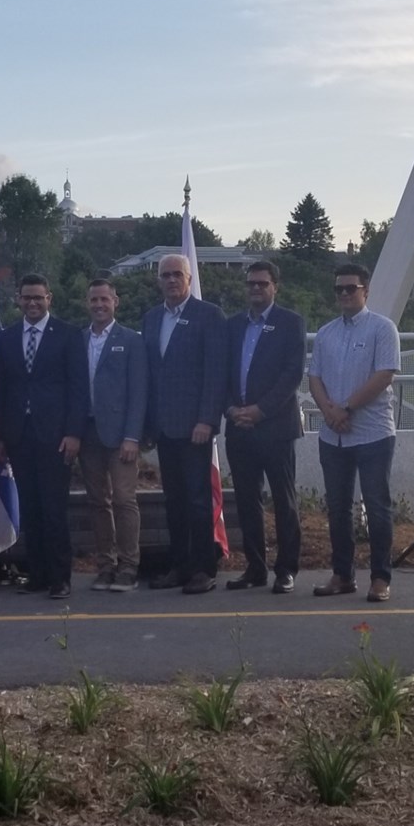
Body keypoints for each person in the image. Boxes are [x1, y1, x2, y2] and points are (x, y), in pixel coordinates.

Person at [307, 263, 400, 603]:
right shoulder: (327, 332)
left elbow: (384, 374)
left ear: (366, 291)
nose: (344, 294)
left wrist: (346, 408)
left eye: (351, 288)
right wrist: (330, 412)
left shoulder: (382, 329)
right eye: (339, 289)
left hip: (372, 433)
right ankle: (342, 575)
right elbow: (314, 377)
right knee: (338, 508)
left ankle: (380, 578)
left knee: (377, 507)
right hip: (334, 435)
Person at [0, 274, 88, 599]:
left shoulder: (69, 334)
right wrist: (2, 437)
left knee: (54, 509)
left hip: (56, 436)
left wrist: (74, 433)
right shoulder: (6, 338)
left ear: (49, 298)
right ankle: (37, 574)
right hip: (20, 435)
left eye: (38, 297)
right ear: (18, 300)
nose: (32, 303)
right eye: (26, 297)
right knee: (30, 507)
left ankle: (60, 578)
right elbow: (1, 389)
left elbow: (79, 388)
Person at [141, 254, 226, 595]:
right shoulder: (150, 318)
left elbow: (215, 374)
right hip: (163, 428)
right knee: (173, 500)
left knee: (198, 500)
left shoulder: (209, 316)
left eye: (178, 274)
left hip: (195, 428)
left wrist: (207, 419)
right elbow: (149, 375)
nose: (172, 280)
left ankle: (204, 568)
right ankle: (179, 565)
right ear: (159, 280)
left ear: (190, 279)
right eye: (166, 275)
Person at [223, 261, 306, 594]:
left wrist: (260, 411)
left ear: (275, 286)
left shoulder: (290, 323)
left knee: (284, 502)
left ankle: (286, 569)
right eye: (250, 284)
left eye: (262, 283)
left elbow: (291, 375)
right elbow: (221, 372)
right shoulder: (231, 326)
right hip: (238, 427)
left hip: (276, 428)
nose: (255, 289)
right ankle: (255, 568)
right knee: (246, 501)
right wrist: (231, 409)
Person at [80, 278, 146, 593]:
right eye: (93, 300)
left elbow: (139, 392)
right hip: (87, 432)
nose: (99, 305)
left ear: (115, 302)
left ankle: (129, 567)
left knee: (123, 499)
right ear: (87, 303)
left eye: (104, 299)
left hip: (121, 435)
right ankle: (106, 566)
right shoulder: (78, 339)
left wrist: (133, 435)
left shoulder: (131, 340)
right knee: (97, 501)